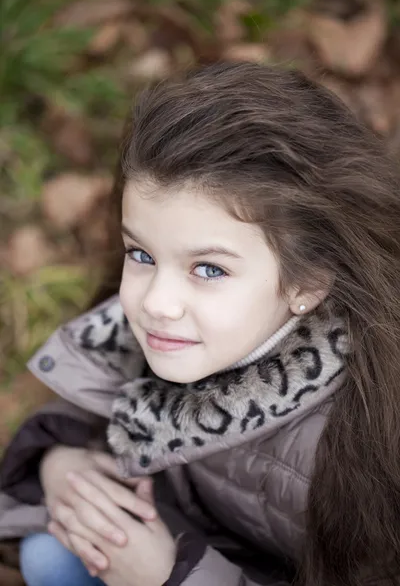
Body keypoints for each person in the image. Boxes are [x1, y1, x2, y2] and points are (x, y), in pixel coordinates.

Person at [1, 61, 400, 586]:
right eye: (140, 254)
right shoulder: (154, 331)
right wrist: (63, 466)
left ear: (308, 284)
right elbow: (83, 407)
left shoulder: (367, 439)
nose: (157, 304)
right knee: (51, 554)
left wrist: (169, 577)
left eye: (208, 268)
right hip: (193, 541)